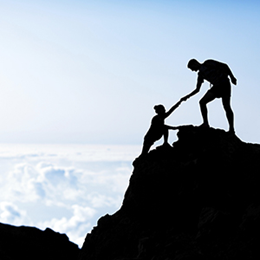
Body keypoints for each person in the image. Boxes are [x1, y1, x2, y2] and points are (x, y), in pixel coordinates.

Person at [181, 59, 237, 134]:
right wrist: (187, 96)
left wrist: (232, 77)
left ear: (195, 63)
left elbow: (224, 66)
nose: (192, 70)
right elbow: (197, 89)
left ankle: (232, 129)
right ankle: (206, 123)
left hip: (224, 83)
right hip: (216, 87)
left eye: (192, 68)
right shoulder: (200, 75)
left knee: (226, 106)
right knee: (202, 102)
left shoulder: (208, 63)